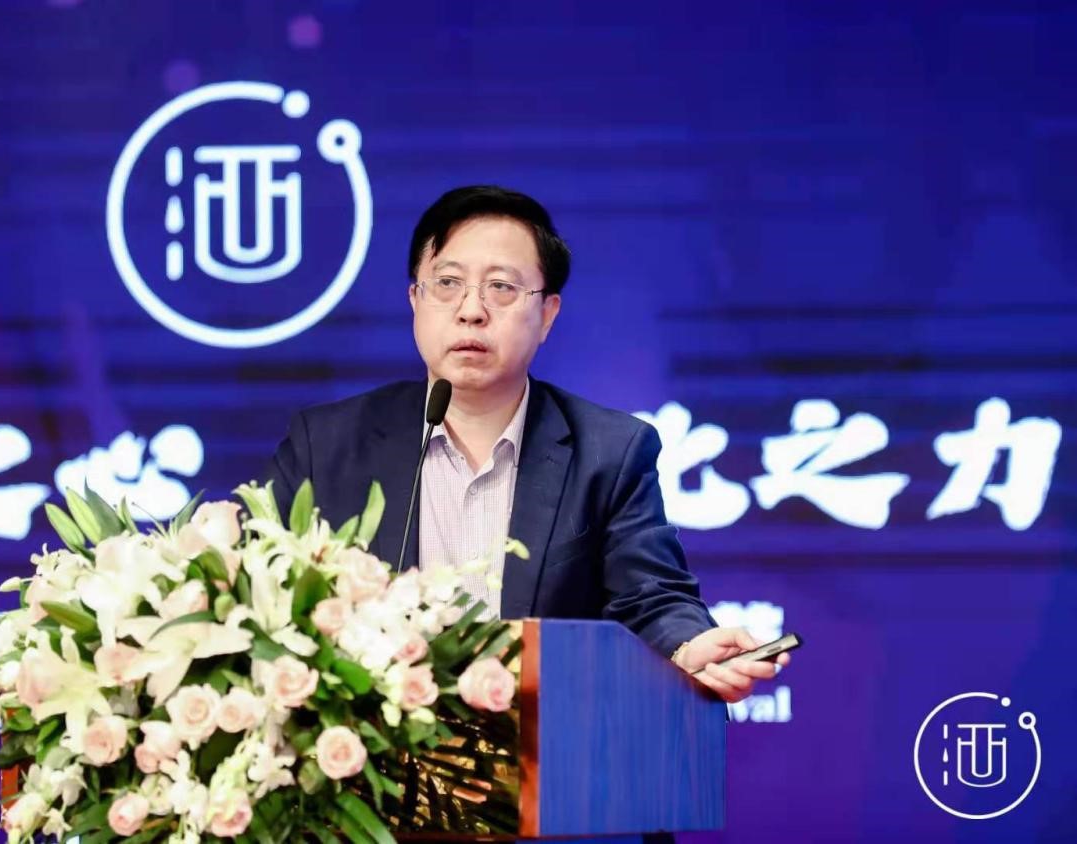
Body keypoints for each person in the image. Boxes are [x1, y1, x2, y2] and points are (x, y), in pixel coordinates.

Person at [264, 185, 789, 704]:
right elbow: (262, 597)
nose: (471, 310)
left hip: (545, 744)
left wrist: (688, 645)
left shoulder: (610, 452)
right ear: (415, 300)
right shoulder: (325, 446)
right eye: (447, 283)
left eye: (501, 287)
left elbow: (649, 597)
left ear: (548, 314)